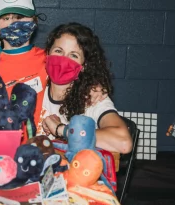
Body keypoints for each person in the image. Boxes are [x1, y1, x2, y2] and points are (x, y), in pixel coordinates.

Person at [0, 0, 105, 127]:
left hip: (40, 142)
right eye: (6, 18)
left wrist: (96, 87)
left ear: (34, 22)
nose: (13, 23)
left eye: (20, 17)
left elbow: (79, 79)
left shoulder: (50, 59)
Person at [39, 23, 132, 154]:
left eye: (74, 55)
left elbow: (123, 142)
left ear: (84, 65)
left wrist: (62, 130)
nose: (64, 60)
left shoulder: (92, 97)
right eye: (58, 51)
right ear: (48, 53)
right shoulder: (32, 90)